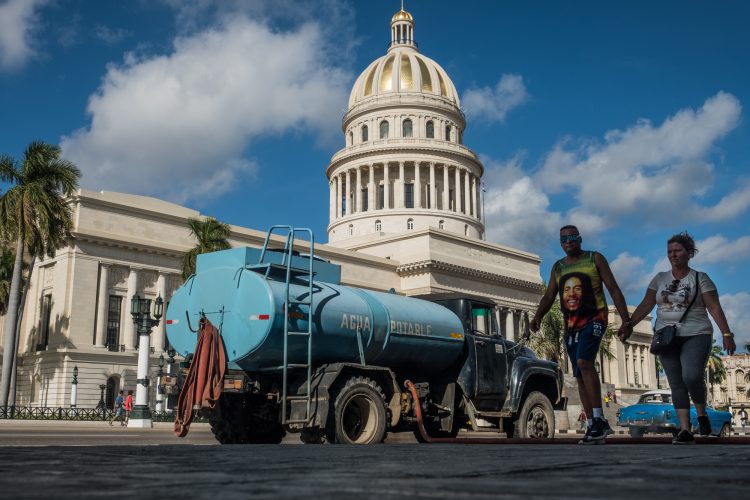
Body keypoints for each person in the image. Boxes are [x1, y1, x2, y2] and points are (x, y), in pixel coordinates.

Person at [623, 231, 736, 444]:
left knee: (692, 376)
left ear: (689, 253)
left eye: (677, 251)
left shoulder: (699, 278)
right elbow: (647, 304)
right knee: (676, 383)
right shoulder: (659, 279)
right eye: (669, 252)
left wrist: (727, 333)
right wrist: (629, 324)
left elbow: (714, 307)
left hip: (697, 334)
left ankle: (701, 413)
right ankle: (685, 429)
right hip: (667, 336)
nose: (673, 255)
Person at [531, 225, 632, 444]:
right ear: (560, 243)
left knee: (585, 362)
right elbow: (549, 296)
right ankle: (593, 425)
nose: (568, 241)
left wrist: (626, 319)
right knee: (579, 374)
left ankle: (599, 419)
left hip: (595, 319)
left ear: (580, 239)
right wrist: (538, 316)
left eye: (572, 237)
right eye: (564, 239)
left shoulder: (594, 259)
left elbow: (613, 288)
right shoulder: (558, 267)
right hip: (571, 325)